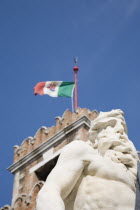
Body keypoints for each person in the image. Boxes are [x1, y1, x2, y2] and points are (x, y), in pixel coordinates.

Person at [36, 109, 138, 210]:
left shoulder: (134, 177)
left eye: (121, 131)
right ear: (96, 135)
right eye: (110, 126)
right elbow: (49, 192)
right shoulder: (82, 151)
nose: (119, 134)